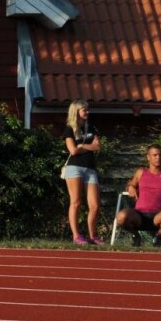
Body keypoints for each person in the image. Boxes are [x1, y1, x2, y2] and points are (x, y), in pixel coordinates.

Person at [116, 144, 161, 247]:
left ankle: (158, 236)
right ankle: (135, 236)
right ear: (148, 157)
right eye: (155, 155)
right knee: (121, 217)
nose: (158, 157)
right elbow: (131, 184)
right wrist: (130, 187)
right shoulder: (141, 172)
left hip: (158, 216)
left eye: (160, 155)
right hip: (139, 216)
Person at [62, 99, 102, 245]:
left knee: (95, 205)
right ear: (76, 111)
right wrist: (88, 146)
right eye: (84, 110)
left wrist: (82, 146)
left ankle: (93, 236)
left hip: (90, 167)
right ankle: (76, 236)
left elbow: (97, 146)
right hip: (74, 168)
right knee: (76, 202)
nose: (87, 112)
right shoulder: (69, 129)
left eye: (87, 109)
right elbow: (73, 150)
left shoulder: (91, 127)